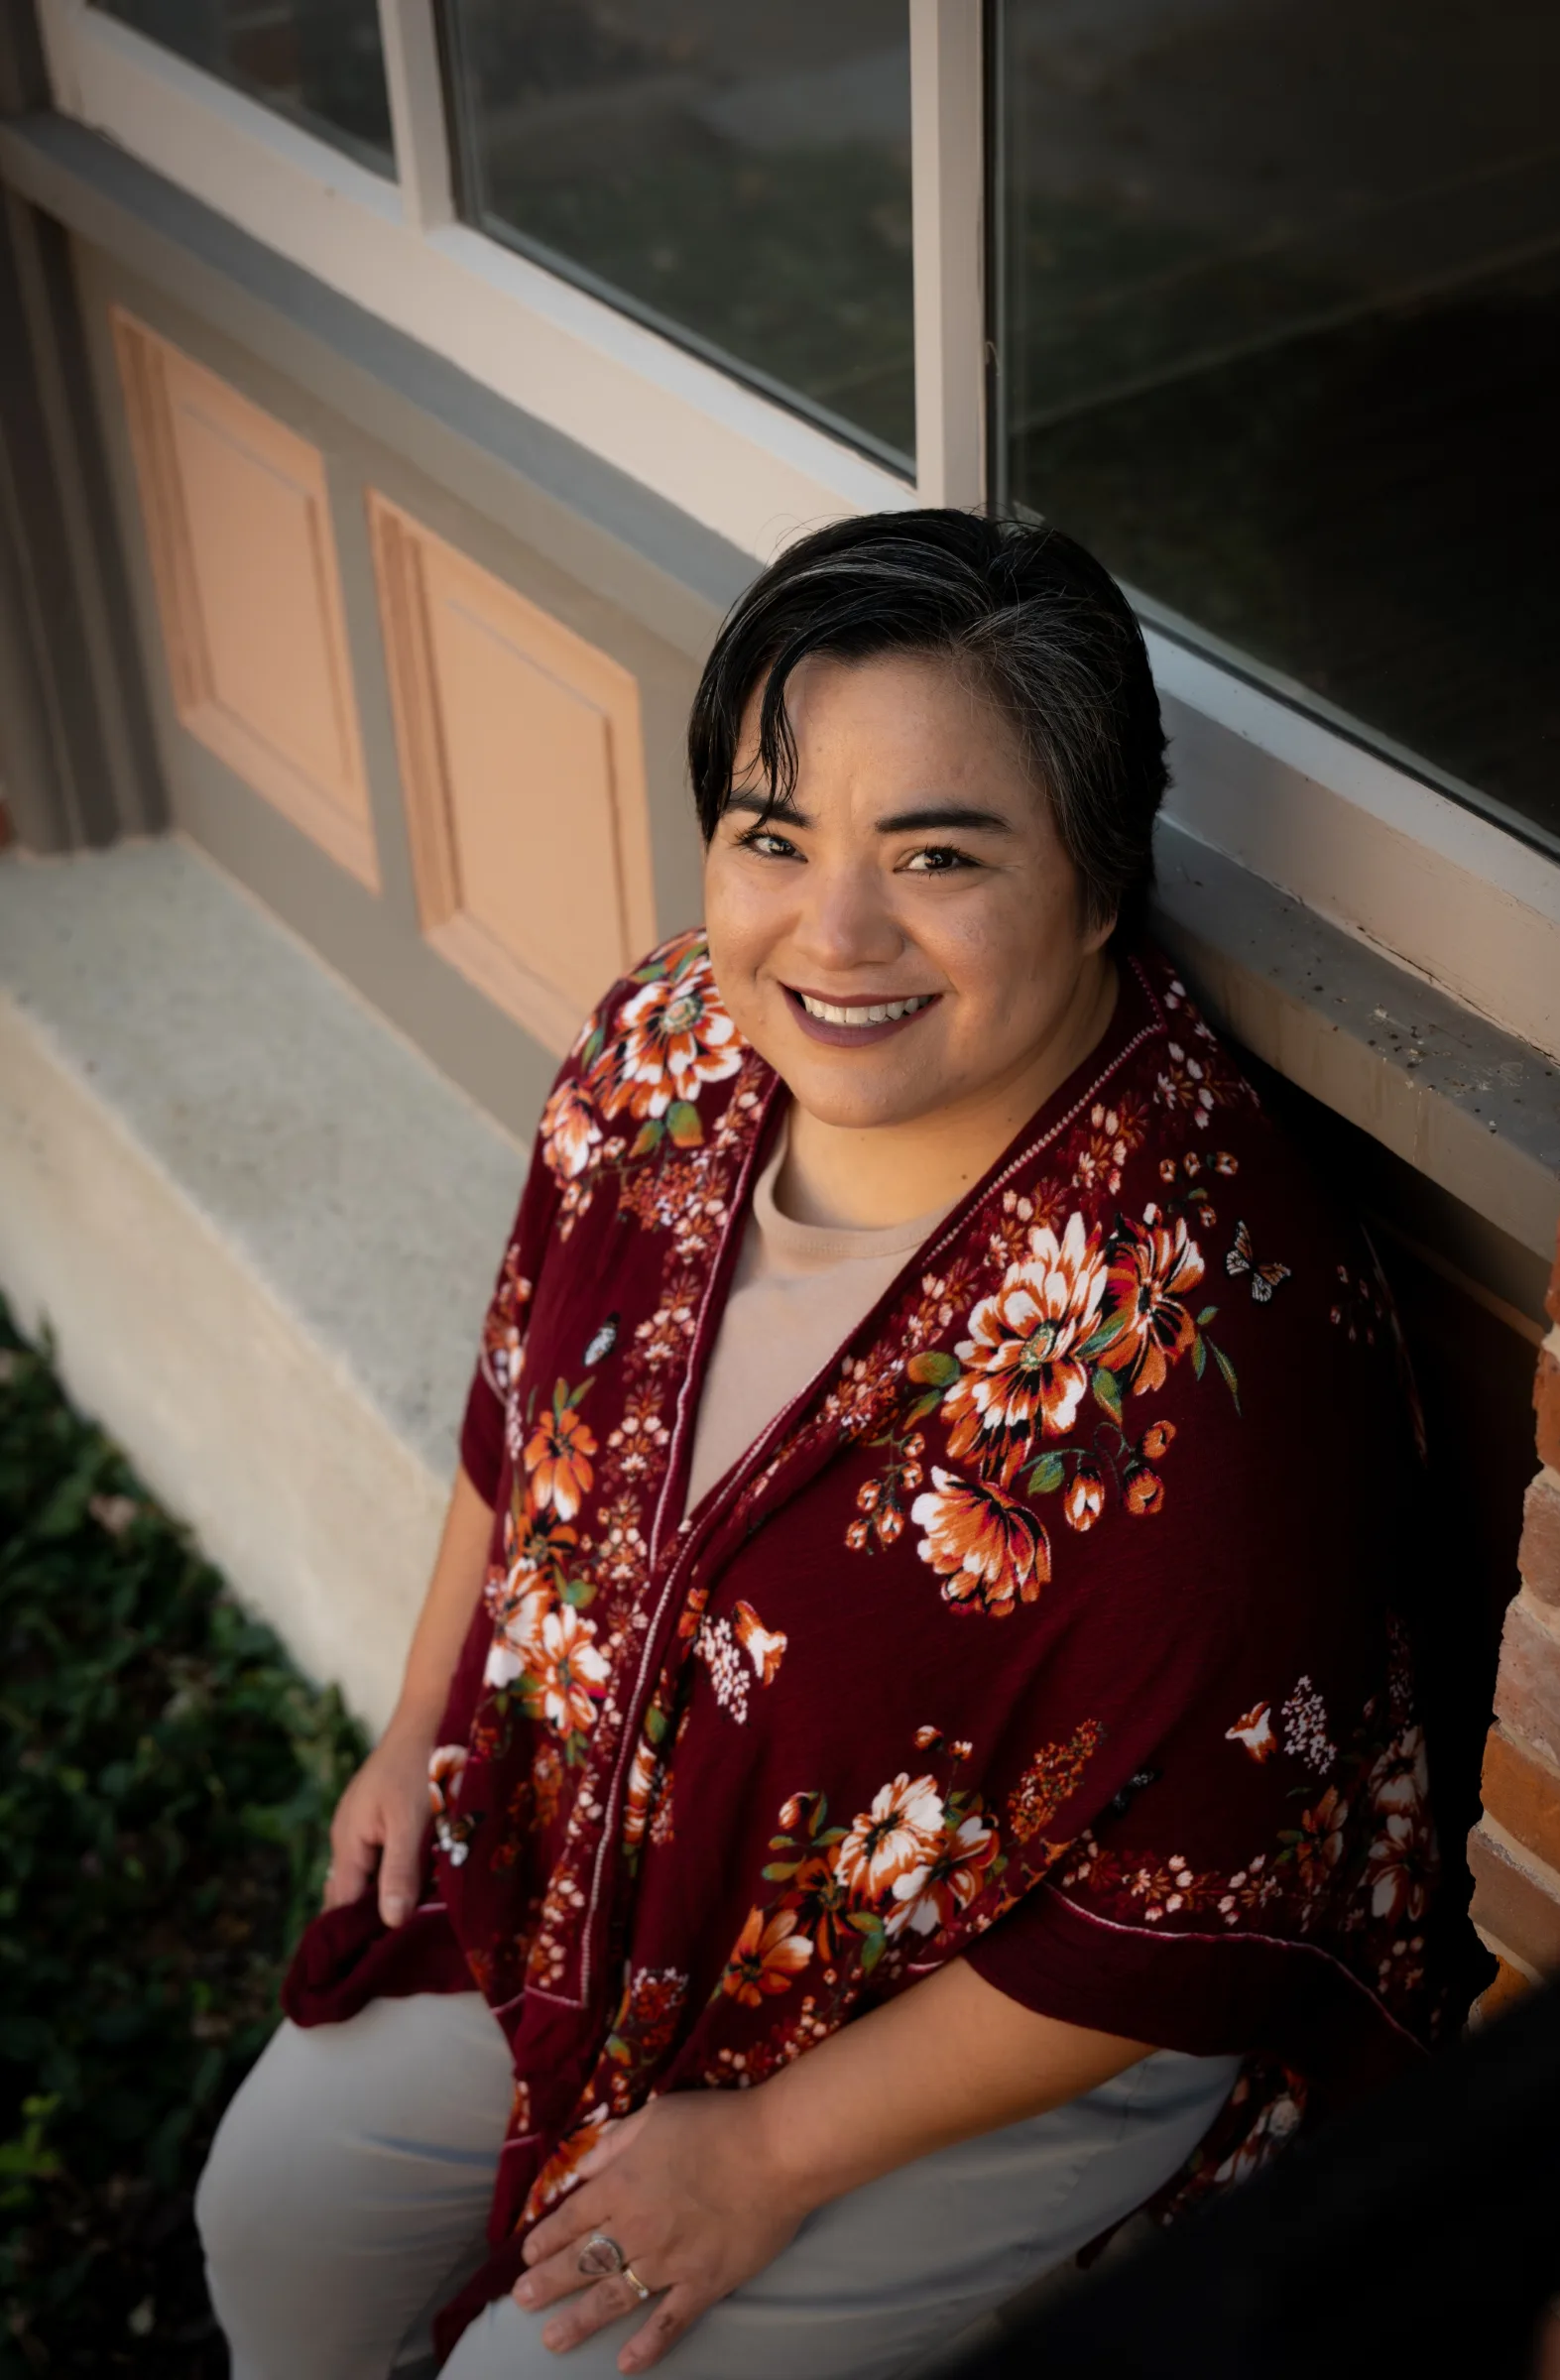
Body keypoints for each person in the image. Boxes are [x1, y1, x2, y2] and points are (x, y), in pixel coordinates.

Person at [196, 512, 1440, 2380]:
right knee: (275, 2219)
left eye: (939, 855)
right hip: (600, 1857)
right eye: (775, 838)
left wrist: (768, 2153)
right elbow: (524, 1421)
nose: (833, 936)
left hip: (971, 2031)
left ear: (1103, 883)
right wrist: (417, 1725)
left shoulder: (1206, 1358)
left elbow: (1181, 1915)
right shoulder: (673, 1047)